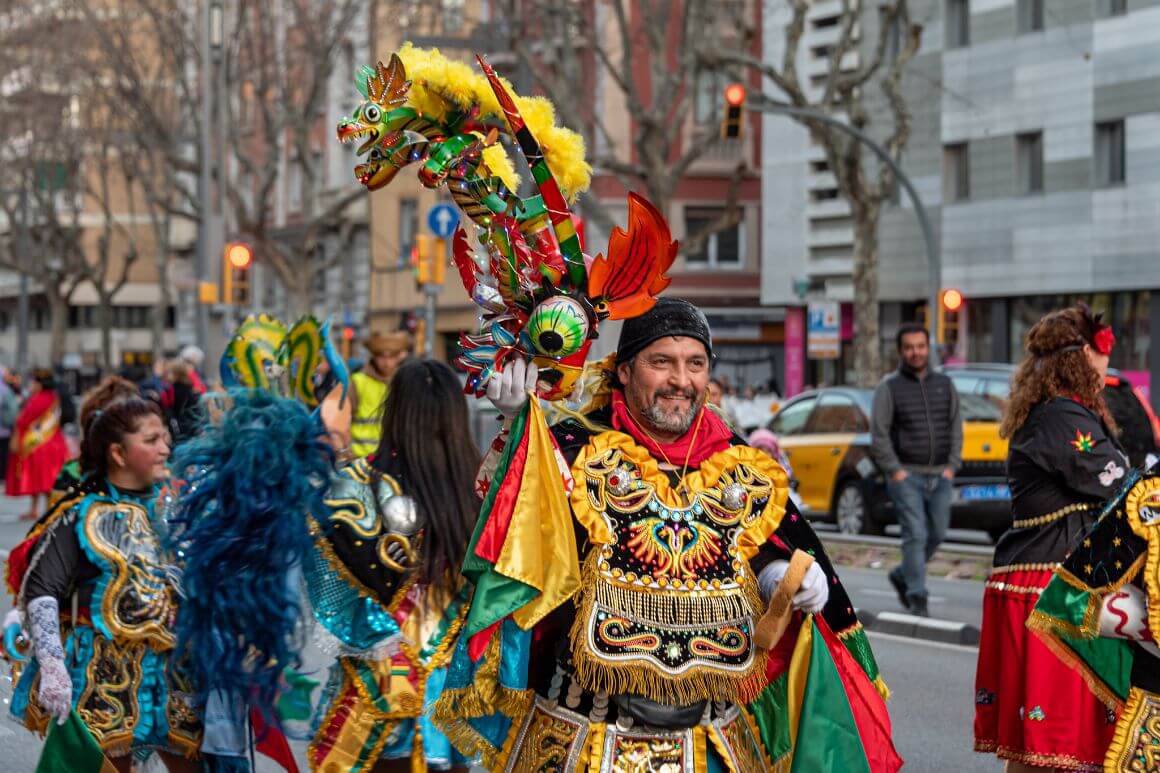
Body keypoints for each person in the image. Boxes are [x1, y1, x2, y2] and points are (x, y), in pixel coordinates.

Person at [436, 298, 899, 770]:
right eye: (662, 362)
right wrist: (520, 434)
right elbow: (523, 547)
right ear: (623, 371)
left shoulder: (740, 463)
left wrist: (781, 574)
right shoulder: (574, 451)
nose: (681, 380)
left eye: (695, 364)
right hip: (583, 741)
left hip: (712, 745)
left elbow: (756, 551)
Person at [973, 304, 1128, 771]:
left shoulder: (1053, 411)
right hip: (1055, 587)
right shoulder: (1062, 417)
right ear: (1083, 353)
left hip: (1044, 581)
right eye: (1103, 352)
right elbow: (1117, 481)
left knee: (1042, 748)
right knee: (1055, 748)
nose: (1106, 364)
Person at [10, 398, 201, 772]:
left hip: (175, 674)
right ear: (118, 452)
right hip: (104, 676)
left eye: (165, 438)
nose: (165, 448)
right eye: (151, 440)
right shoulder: (82, 516)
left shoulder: (177, 510)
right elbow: (41, 590)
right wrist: (52, 665)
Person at [307, 359, 478, 772]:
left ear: (394, 411)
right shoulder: (485, 488)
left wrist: (382, 639)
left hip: (377, 695)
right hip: (453, 704)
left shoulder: (354, 485)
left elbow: (327, 590)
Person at [870, 323, 963, 617]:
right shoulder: (889, 387)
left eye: (920, 346)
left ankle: (903, 574)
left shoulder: (944, 385)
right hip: (906, 475)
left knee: (937, 532)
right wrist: (894, 470)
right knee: (915, 534)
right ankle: (917, 596)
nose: (915, 352)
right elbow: (879, 433)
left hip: (941, 475)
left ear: (929, 348)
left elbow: (956, 426)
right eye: (909, 347)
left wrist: (952, 466)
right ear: (901, 351)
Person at [6, 370, 71, 521]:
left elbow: (23, 420)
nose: (31, 385)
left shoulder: (39, 399)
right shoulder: (54, 398)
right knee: (49, 478)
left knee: (39, 478)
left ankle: (36, 509)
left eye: (33, 382)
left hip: (40, 444)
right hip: (54, 442)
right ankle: (46, 508)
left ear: (40, 384)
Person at [350, 330, 412, 458]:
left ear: (399, 356)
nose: (387, 362)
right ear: (374, 356)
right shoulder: (357, 381)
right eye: (382, 356)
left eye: (392, 356)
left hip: (393, 458)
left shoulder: (405, 382)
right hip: (361, 457)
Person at [160, 359, 203, 444]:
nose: (167, 375)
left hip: (179, 431)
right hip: (192, 429)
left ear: (176, 374)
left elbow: (172, 413)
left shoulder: (172, 390)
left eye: (169, 372)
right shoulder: (190, 388)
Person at [0, 366, 19, 482]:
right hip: (4, 429)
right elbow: (13, 410)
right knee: (3, 454)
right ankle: (2, 477)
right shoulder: (6, 390)